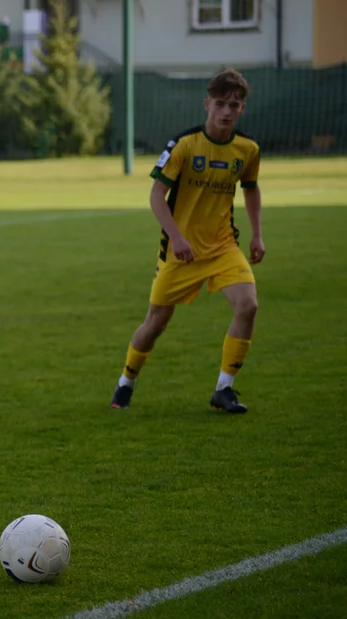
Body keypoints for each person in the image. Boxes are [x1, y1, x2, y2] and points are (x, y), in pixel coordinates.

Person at [111, 69, 264, 414]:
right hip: (180, 252)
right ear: (206, 104)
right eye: (221, 103)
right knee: (156, 324)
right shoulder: (184, 144)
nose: (226, 111)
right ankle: (126, 383)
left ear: (242, 110)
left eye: (234, 105)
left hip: (223, 246)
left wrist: (256, 234)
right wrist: (176, 238)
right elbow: (156, 195)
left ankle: (224, 389)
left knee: (248, 306)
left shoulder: (248, 149)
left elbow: (251, 190)